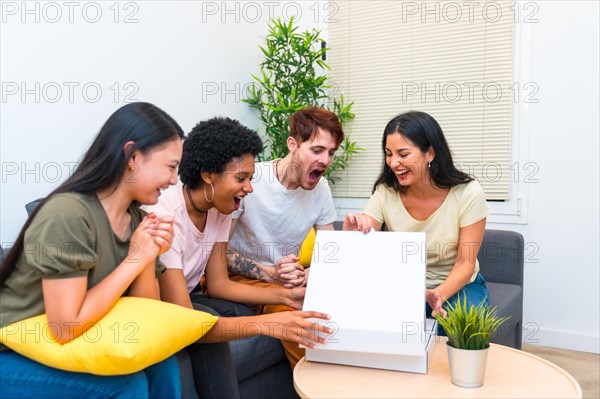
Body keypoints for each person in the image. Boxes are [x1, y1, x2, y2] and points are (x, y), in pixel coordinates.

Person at [0, 103, 331, 399]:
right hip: (14, 351)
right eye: (170, 167)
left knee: (164, 365)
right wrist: (136, 258)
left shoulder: (138, 219)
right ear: (132, 158)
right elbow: (65, 327)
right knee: (127, 386)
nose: (175, 180)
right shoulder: (68, 213)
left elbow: (149, 313)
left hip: (70, 340)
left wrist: (145, 256)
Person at [343, 110, 492, 321]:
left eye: (403, 154)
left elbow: (465, 263)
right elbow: (365, 237)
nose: (394, 163)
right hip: (402, 285)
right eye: (388, 154)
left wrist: (438, 294)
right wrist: (354, 233)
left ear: (430, 153)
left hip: (457, 286)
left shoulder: (467, 192)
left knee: (457, 326)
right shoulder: (386, 192)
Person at [226, 106, 345, 366]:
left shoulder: (321, 188)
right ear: (292, 144)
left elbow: (331, 256)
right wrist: (269, 273)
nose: (325, 160)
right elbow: (218, 253)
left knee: (343, 309)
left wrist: (305, 275)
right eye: (317, 150)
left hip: (284, 282)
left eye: (331, 153)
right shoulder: (251, 181)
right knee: (301, 320)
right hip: (242, 279)